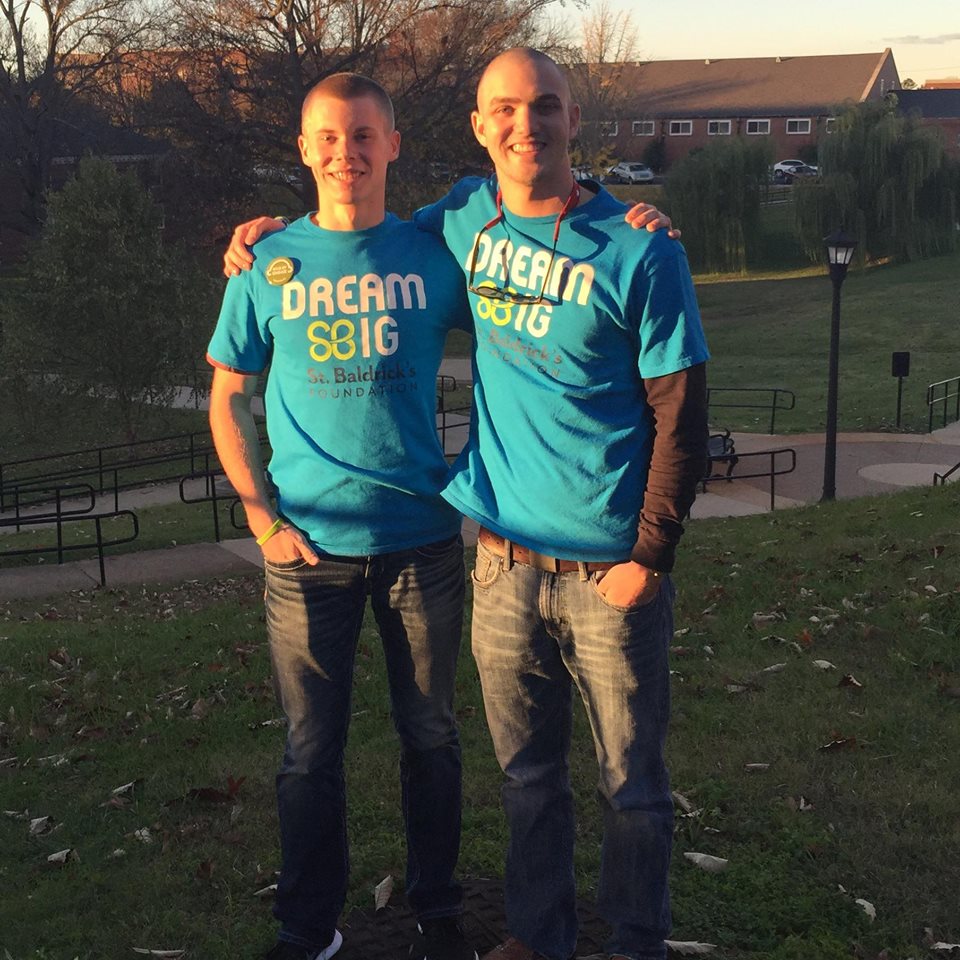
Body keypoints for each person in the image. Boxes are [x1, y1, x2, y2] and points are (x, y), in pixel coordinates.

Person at [220, 51, 701, 960]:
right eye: (508, 111)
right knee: (520, 776)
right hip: (489, 559)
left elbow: (680, 401)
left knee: (616, 781)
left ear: (574, 118)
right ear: (480, 128)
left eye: (547, 107)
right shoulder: (457, 221)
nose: (529, 125)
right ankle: (526, 934)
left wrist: (654, 551)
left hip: (566, 562)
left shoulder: (616, 244)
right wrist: (260, 238)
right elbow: (336, 250)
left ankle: (623, 940)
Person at [206, 73, 478, 960]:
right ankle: (308, 926)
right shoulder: (265, 262)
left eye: (363, 135)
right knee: (308, 756)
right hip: (305, 553)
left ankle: (436, 911)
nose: (345, 153)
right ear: (303, 147)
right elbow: (226, 401)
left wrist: (620, 208)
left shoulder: (439, 250)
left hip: (423, 542)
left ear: (393, 145)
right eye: (327, 136)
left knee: (432, 739)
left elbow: (531, 293)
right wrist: (261, 520)